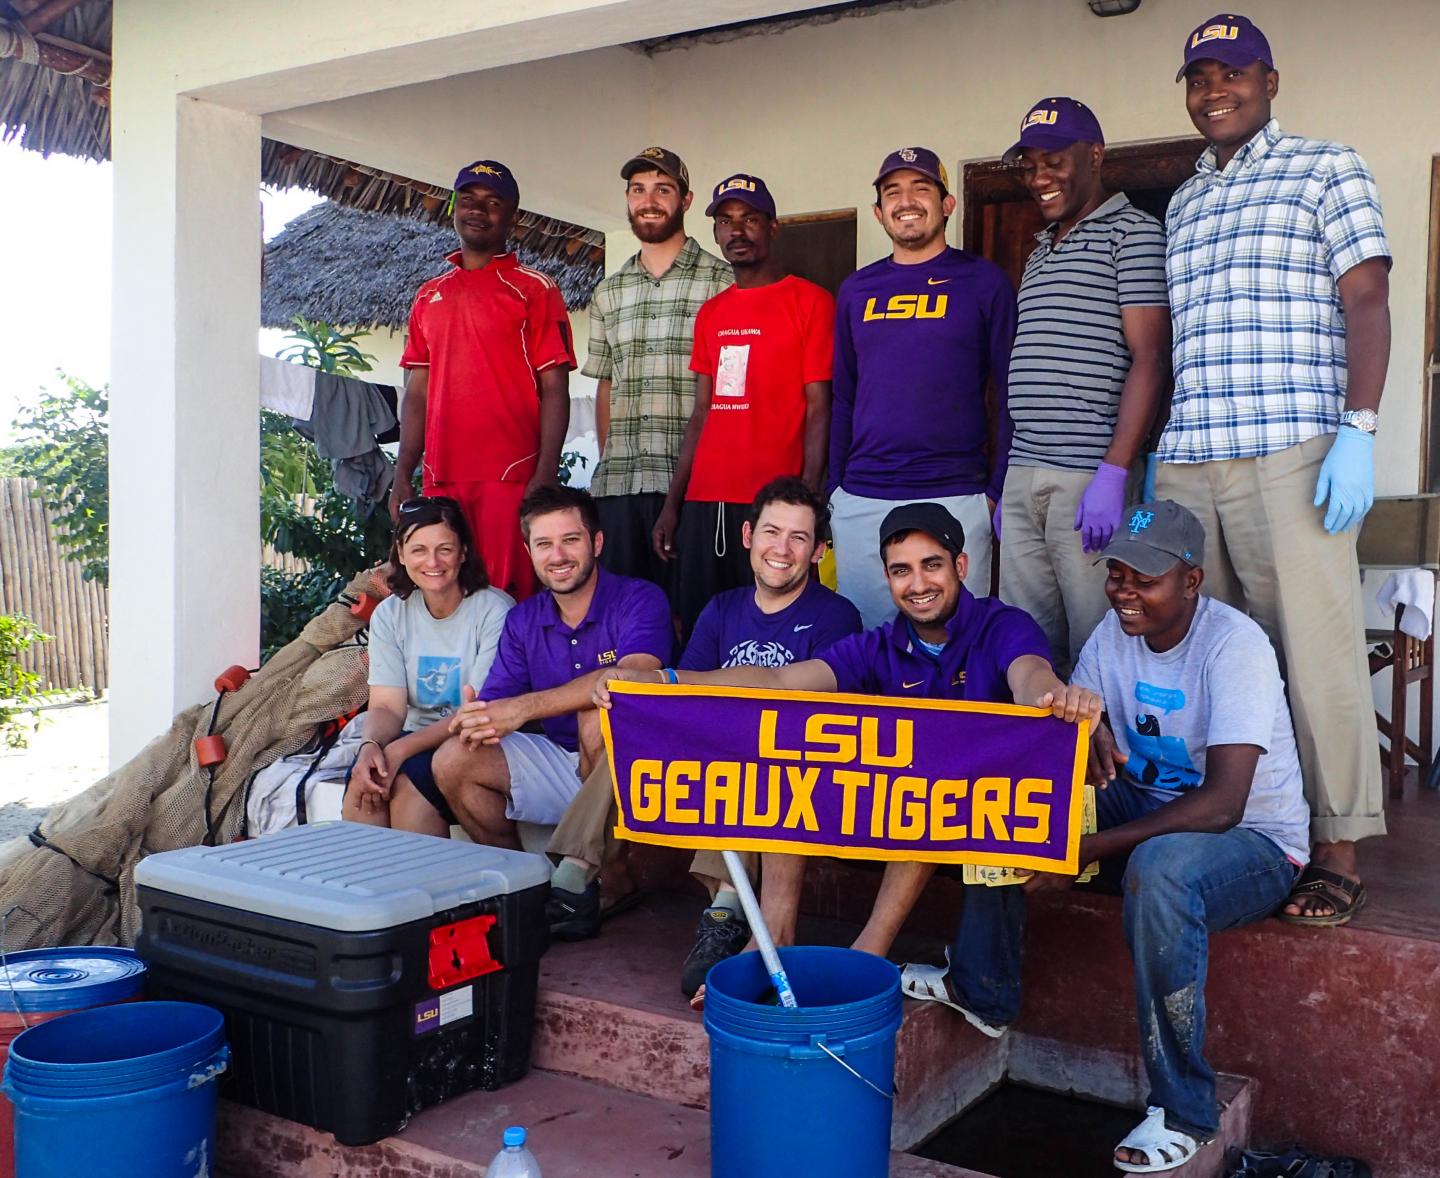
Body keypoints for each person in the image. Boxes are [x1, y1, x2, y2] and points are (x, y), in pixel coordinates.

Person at [903, 500, 1308, 1174]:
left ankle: (1185, 1111)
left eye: (1144, 579)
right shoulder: (1113, 636)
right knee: (1008, 797)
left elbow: (1222, 804)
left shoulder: (1234, 645)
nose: (1124, 591)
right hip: (1145, 803)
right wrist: (1048, 798)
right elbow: (1076, 751)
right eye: (1116, 574)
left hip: (1255, 843)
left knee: (1161, 869)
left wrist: (1080, 852)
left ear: (1191, 580)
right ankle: (983, 986)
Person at [594, 501, 1098, 976]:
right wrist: (668, 681)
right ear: (887, 577)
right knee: (789, 747)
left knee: (926, 774)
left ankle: (867, 954)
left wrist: (1053, 697)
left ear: (961, 566)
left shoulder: (1001, 623)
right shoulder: (880, 644)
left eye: (932, 565)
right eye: (902, 570)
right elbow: (779, 681)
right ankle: (773, 936)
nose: (918, 584)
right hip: (879, 817)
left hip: (968, 817)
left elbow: (1030, 672)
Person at [1160, 14, 1391, 925]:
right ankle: (1244, 826)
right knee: (1209, 658)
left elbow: (1367, 297)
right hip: (1188, 459)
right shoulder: (1182, 201)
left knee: (1315, 650)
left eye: (1233, 72)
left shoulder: (1327, 166)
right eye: (1198, 76)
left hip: (1292, 446)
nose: (1214, 89)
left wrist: (1361, 427)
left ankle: (1336, 845)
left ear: (1271, 80)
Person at [547, 478, 861, 997]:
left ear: (819, 550)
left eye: (799, 538)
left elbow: (808, 714)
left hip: (782, 769)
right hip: (706, 750)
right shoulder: (722, 608)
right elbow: (677, 701)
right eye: (771, 532)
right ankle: (573, 881)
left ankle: (726, 911)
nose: (781, 549)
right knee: (634, 728)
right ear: (747, 535)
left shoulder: (835, 616)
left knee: (739, 754)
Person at [999, 97, 1170, 676]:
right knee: (1026, 645)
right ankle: (1042, 767)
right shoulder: (1039, 250)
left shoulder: (1135, 234)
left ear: (1094, 156)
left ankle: (1102, 766)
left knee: (1097, 646)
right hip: (1025, 475)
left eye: (1055, 161)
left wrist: (1115, 471)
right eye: (1030, 165)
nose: (1040, 177)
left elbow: (1149, 356)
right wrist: (1009, 477)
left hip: (1087, 478)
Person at [398, 486, 672, 847]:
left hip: (635, 770)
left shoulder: (639, 598)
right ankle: (518, 882)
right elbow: (497, 705)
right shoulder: (523, 618)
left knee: (598, 720)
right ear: (529, 552)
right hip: (558, 759)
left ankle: (610, 881)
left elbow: (629, 680)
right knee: (454, 759)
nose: (557, 556)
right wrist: (478, 716)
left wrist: (525, 707)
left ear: (598, 542)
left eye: (570, 540)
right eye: (544, 544)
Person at [830, 147, 1017, 627]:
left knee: (955, 640)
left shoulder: (984, 282)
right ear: (878, 211)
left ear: (947, 204)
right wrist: (834, 488)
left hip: (954, 492)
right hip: (863, 494)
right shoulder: (856, 289)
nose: (906, 201)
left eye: (921, 188)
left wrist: (995, 490)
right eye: (893, 192)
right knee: (869, 643)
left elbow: (1009, 392)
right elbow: (844, 395)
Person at [651, 173, 835, 641]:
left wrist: (810, 499)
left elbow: (819, 409)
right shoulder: (713, 313)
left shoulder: (811, 302)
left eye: (749, 219)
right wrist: (673, 504)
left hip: (774, 508)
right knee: (700, 629)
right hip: (704, 502)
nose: (737, 230)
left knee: (775, 629)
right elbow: (702, 413)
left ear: (772, 228)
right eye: (726, 221)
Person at [392, 160, 575, 601]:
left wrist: (545, 472)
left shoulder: (534, 289)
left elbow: (555, 388)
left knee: (506, 599)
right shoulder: (428, 295)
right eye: (469, 200)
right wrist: (402, 472)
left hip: (509, 476)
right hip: (441, 477)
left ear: (512, 216)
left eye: (493, 203)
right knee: (445, 597)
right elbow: (416, 394)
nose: (479, 210)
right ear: (454, 207)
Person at [584, 147, 733, 591]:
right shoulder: (607, 293)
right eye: (638, 190)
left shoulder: (722, 283)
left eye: (662, 189)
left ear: (685, 201)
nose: (649, 200)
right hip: (620, 486)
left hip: (695, 487)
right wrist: (611, 457)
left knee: (694, 618)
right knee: (626, 622)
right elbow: (607, 385)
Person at [343, 496, 514, 830]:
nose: (432, 561)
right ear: (401, 555)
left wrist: (398, 751)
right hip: (409, 739)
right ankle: (367, 881)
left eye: (445, 549)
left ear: (464, 551)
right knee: (363, 791)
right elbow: (388, 707)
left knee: (409, 790)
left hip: (468, 744)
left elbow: (475, 712)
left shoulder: (495, 611)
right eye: (418, 549)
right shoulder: (391, 614)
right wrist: (370, 747)